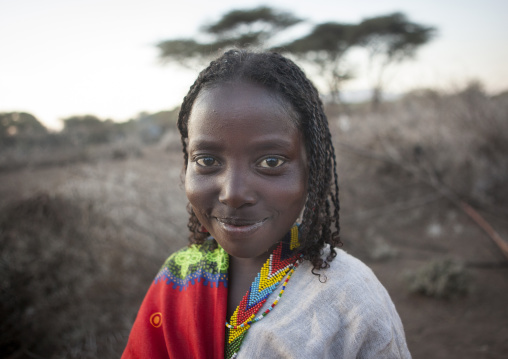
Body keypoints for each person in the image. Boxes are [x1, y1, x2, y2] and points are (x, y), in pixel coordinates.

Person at [122, 50, 411, 359]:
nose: (233, 193)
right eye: (207, 160)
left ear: (311, 170)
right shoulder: (176, 278)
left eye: (270, 161)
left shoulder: (352, 298)